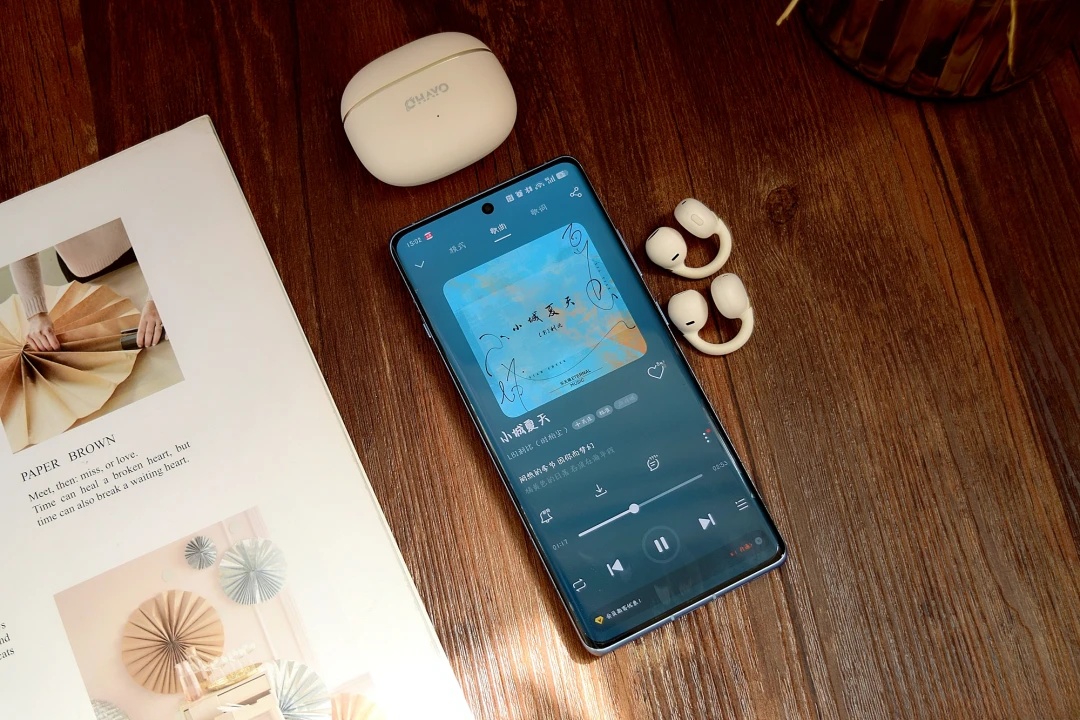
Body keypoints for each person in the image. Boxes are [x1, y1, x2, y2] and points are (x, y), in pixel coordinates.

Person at [11, 223, 162, 351]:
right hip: (82, 272)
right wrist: (36, 315)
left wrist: (158, 297)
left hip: (139, 249)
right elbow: (21, 242)